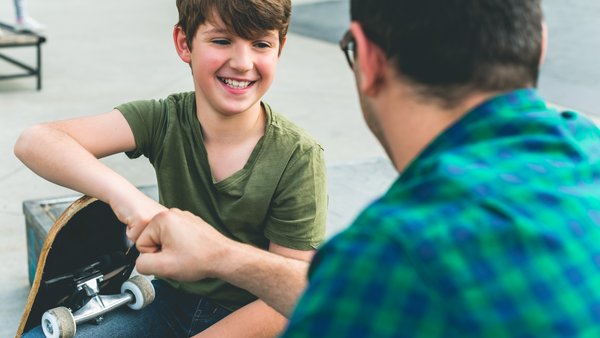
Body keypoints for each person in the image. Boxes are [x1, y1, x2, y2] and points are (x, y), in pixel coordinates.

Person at [134, 0, 600, 336]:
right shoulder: (590, 144)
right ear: (539, 46)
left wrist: (220, 254)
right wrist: (221, 254)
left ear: (367, 58)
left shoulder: (388, 257)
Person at [14, 0, 327, 337]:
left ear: (279, 47)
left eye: (261, 44)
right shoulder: (165, 119)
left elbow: (289, 299)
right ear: (184, 43)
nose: (242, 63)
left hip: (250, 321)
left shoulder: (298, 156)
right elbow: (36, 141)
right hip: (167, 302)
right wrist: (129, 200)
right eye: (222, 41)